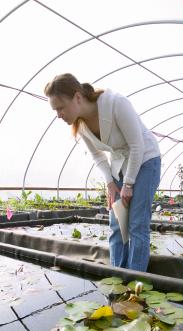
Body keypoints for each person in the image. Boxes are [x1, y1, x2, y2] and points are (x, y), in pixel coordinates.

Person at [44, 73, 161, 272]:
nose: (58, 114)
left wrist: (129, 184)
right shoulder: (81, 126)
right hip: (119, 166)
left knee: (136, 224)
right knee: (117, 225)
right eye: (55, 110)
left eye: (61, 107)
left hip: (145, 160)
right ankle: (118, 276)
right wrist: (110, 183)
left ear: (77, 97)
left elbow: (136, 145)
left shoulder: (116, 103)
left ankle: (134, 282)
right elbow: (98, 157)